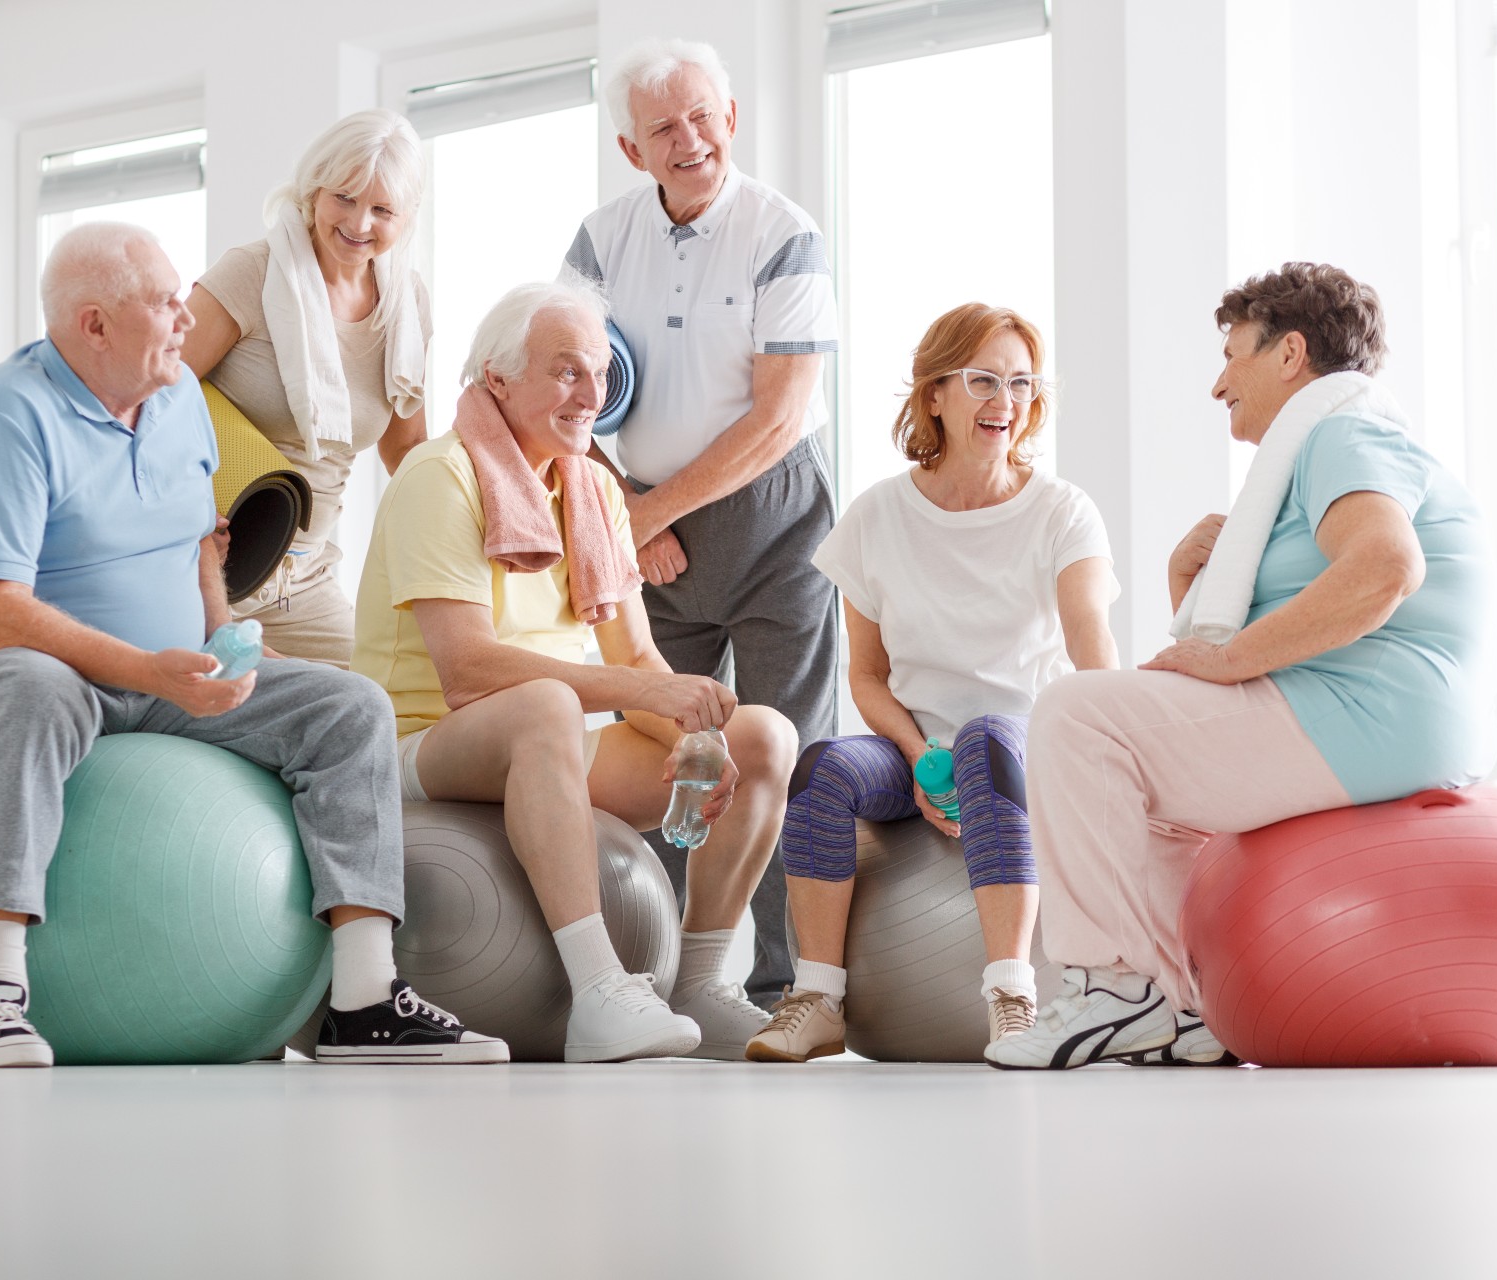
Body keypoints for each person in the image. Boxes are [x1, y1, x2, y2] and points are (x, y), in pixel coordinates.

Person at [0, 221, 503, 1068]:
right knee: (35, 685)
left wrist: (219, 631)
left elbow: (198, 542)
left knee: (350, 706)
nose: (187, 318)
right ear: (94, 325)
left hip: (160, 668)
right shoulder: (11, 412)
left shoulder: (181, 397)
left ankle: (364, 999)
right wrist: (149, 668)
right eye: (162, 302)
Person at [987, 262, 1497, 1070]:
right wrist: (1188, 593)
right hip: (1373, 710)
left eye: (1233, 355)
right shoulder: (1323, 450)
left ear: (1290, 354)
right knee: (1141, 796)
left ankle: (1114, 990)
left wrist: (1230, 658)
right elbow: (1320, 602)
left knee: (1074, 712)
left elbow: (1384, 570)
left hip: (1379, 712)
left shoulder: (1343, 431)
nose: (1218, 382)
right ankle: (1185, 1011)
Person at [352, 279, 799, 1062]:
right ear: (497, 377)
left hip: (543, 744)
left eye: (600, 373)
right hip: (424, 742)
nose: (592, 394)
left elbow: (636, 655)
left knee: (761, 736)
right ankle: (598, 989)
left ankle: (697, 980)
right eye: (566, 371)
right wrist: (642, 694)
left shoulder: (591, 486)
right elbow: (468, 670)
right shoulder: (440, 475)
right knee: (547, 705)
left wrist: (693, 733)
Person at [744, 304, 1119, 1063]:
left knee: (986, 742)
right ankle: (817, 997)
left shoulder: (1062, 512)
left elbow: (1089, 640)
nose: (1004, 402)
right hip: (917, 744)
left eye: (1020, 383)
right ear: (935, 392)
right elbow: (867, 675)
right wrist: (916, 755)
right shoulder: (877, 515)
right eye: (983, 379)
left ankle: (1013, 995)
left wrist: (1112, 734)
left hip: (1022, 749)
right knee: (821, 770)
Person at [563, 38, 838, 1005]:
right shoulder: (601, 239)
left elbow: (780, 416)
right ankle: (679, 978)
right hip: (651, 526)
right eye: (661, 129)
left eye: (701, 118)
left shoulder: (782, 231)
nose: (689, 141)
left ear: (730, 119)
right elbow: (563, 389)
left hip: (770, 521)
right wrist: (624, 511)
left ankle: (786, 986)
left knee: (789, 750)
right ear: (632, 151)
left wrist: (645, 513)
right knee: (674, 759)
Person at [180, 108, 429, 667]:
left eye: (382, 209)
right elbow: (150, 393)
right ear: (313, 190)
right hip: (205, 562)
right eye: (344, 197)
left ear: (406, 217)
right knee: (301, 706)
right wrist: (190, 525)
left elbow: (408, 450)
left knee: (380, 703)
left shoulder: (405, 305)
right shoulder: (251, 271)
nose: (359, 222)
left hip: (303, 576)